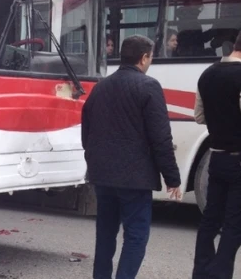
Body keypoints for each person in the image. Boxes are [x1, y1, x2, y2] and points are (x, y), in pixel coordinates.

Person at [82, 34, 182, 279]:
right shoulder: (148, 86)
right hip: (134, 179)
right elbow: (161, 138)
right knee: (136, 237)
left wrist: (94, 160)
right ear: (144, 57)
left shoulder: (100, 86)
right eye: (150, 57)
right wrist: (173, 178)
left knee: (105, 235)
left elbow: (87, 130)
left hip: (102, 175)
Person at [192, 31, 241, 279]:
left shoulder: (208, 73)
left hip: (216, 157)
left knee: (211, 218)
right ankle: (219, 274)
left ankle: (201, 272)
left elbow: (199, 116)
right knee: (234, 224)